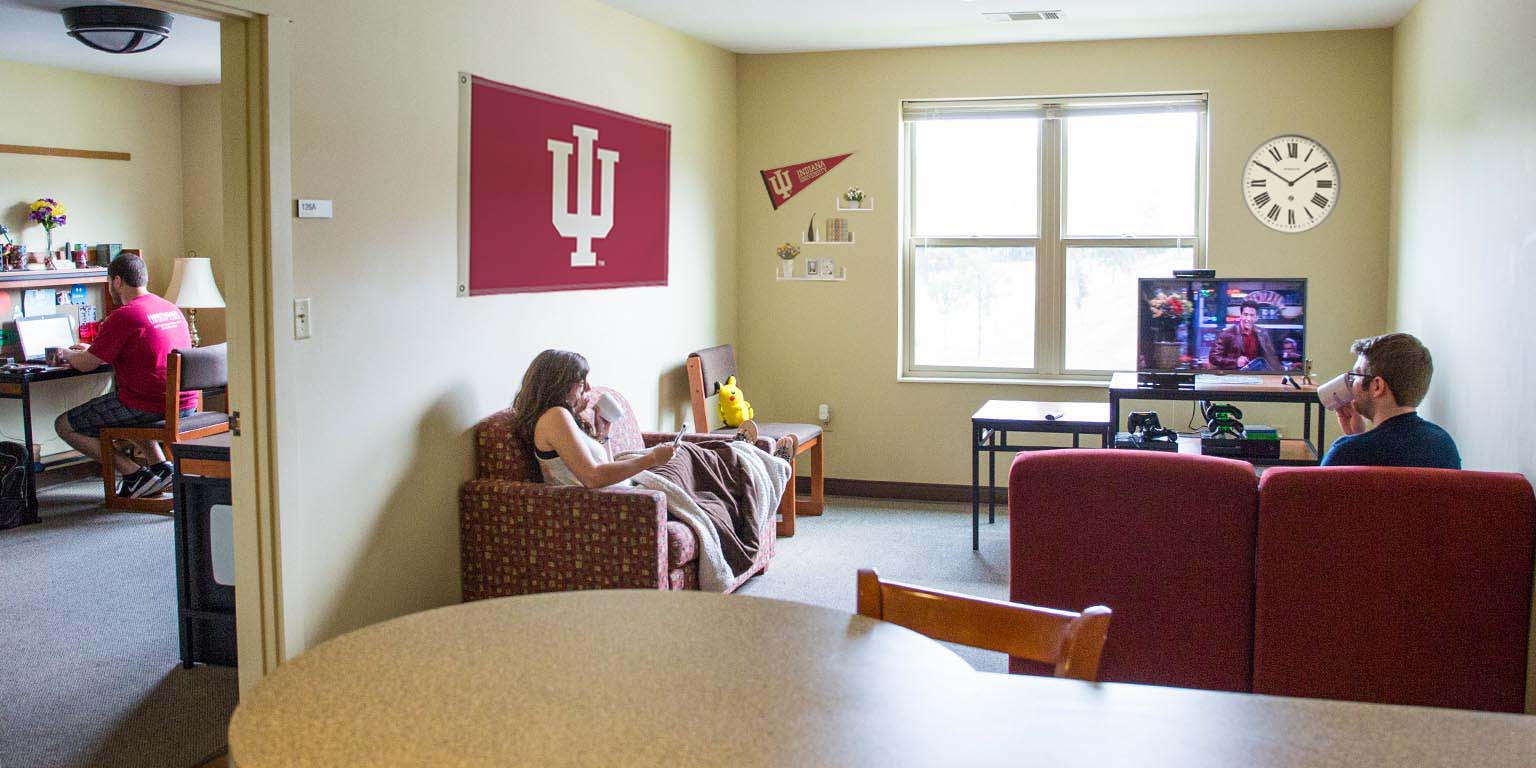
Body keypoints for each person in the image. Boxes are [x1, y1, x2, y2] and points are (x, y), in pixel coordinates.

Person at [510, 349, 794, 489]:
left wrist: (603, 434)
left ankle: (750, 455)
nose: (587, 389)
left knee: (694, 455)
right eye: (581, 382)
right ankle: (763, 460)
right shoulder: (555, 417)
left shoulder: (566, 418)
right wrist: (651, 459)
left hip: (620, 489)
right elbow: (594, 478)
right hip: (607, 502)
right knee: (691, 457)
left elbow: (604, 467)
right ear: (559, 383)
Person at [54, 253, 197, 498]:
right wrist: (95, 350)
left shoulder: (124, 315)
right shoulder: (169, 308)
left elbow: (87, 365)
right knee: (125, 407)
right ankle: (161, 468)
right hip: (184, 402)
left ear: (117, 282)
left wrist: (66, 354)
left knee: (64, 425)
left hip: (151, 404)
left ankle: (133, 474)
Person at [1320, 332, 1460, 469]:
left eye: (1356, 375)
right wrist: (1358, 436)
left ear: (1377, 386)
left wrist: (1355, 441)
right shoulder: (1445, 446)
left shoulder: (1345, 454)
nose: (1352, 383)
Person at [1209, 300, 1281, 371]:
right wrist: (1235, 362)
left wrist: (1280, 373)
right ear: (1241, 315)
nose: (1248, 319)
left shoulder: (1262, 333)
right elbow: (1214, 357)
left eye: (1252, 315)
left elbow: (1271, 357)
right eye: (1245, 314)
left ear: (1256, 317)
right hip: (1234, 376)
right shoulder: (1227, 334)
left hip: (1257, 376)